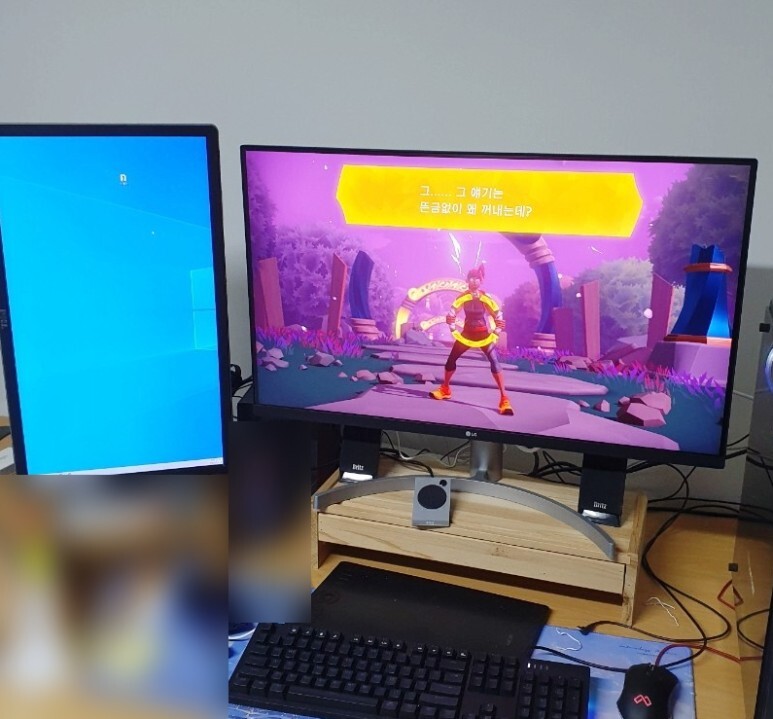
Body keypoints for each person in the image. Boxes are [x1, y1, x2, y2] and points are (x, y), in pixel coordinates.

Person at [429, 265, 513, 415]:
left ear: (481, 281)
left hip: (484, 335)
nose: (474, 281)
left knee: (494, 362)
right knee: (451, 361)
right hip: (466, 335)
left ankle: (504, 399)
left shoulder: (485, 298)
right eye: (471, 278)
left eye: (477, 278)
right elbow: (453, 312)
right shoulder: (462, 298)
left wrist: (499, 325)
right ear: (467, 280)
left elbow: (496, 314)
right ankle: (445, 389)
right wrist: (450, 320)